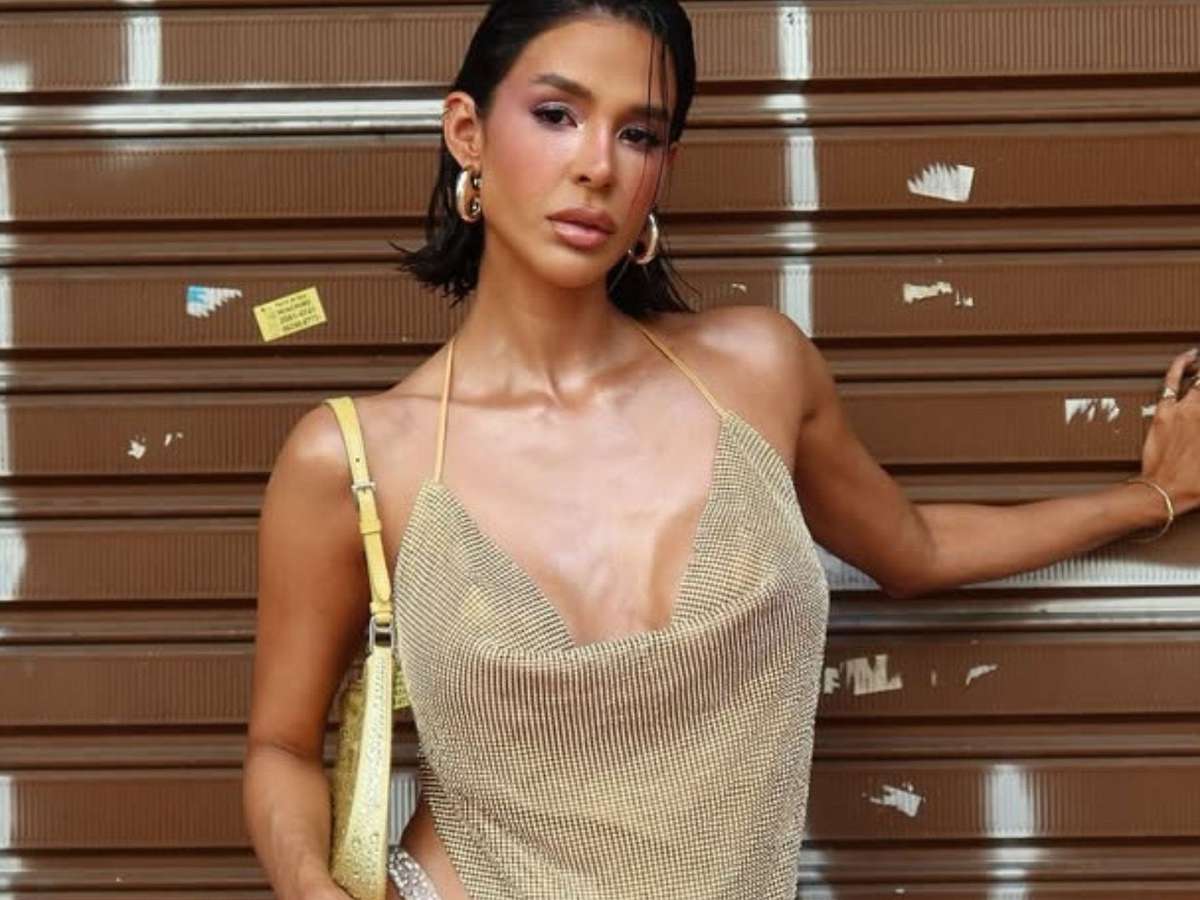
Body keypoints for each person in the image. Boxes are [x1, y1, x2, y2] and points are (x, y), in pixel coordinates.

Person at [242, 2, 1200, 898]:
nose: (597, 166)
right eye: (556, 115)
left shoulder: (755, 373)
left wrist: (1151, 495)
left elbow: (915, 548)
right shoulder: (358, 459)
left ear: (664, 166)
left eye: (638, 133)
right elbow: (281, 746)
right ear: (468, 134)